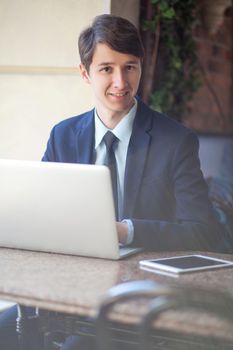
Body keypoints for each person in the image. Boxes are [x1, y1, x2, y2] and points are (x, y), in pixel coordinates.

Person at [0, 14, 229, 350]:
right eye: (107, 68)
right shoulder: (63, 135)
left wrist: (126, 230)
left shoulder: (176, 140)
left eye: (130, 67)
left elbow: (202, 230)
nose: (121, 82)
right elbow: (42, 216)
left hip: (133, 305)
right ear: (85, 73)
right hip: (66, 291)